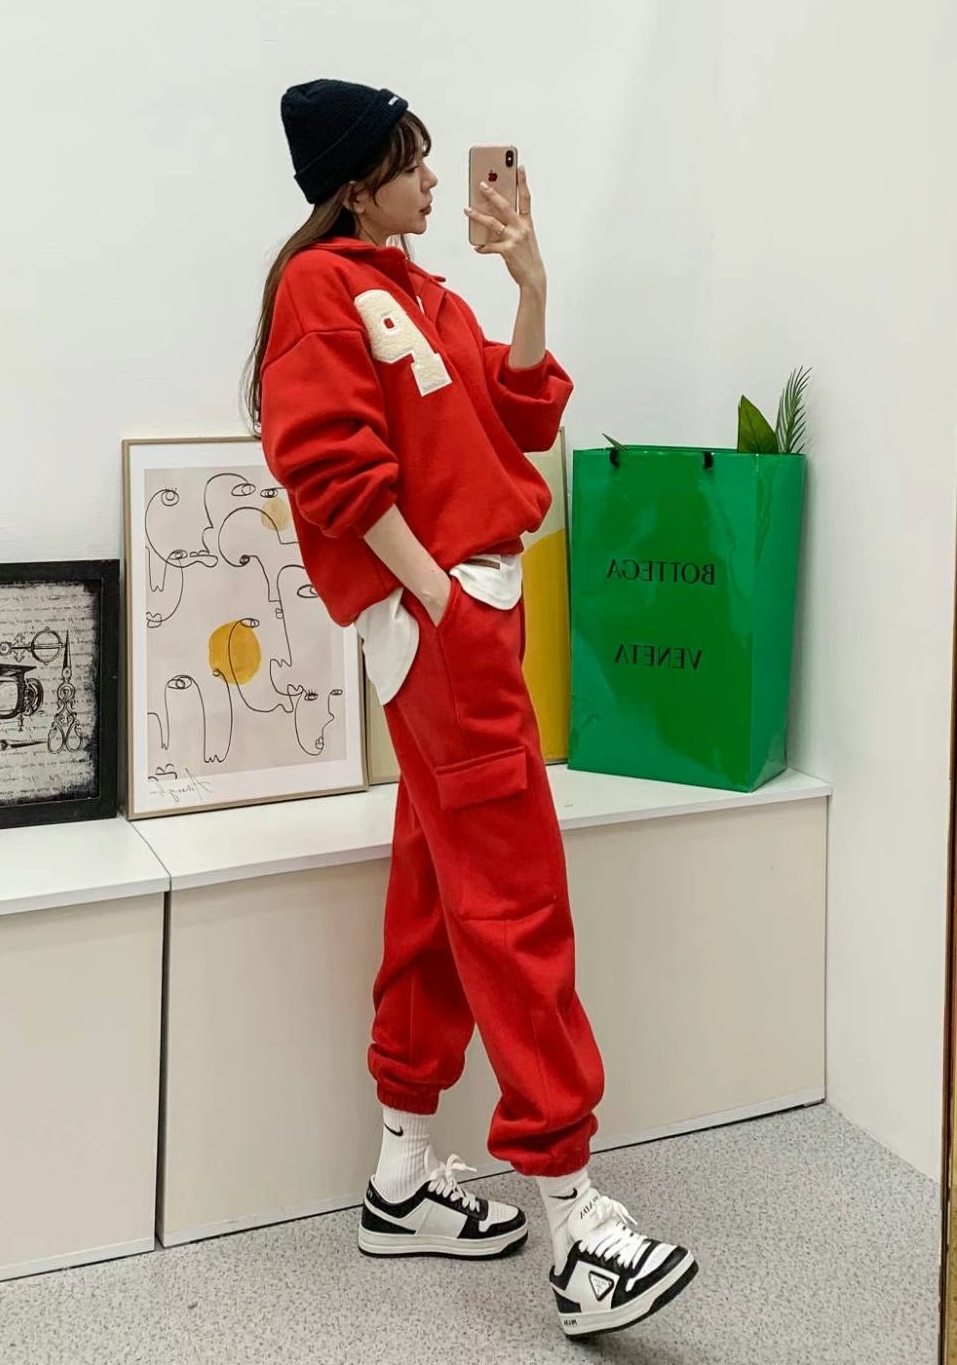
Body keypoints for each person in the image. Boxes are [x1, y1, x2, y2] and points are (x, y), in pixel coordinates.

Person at [249, 78, 696, 1339]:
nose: (440, 183)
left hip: (474, 614)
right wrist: (438, 597)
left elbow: (517, 416)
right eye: (414, 164)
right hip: (449, 623)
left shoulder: (428, 295)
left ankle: (402, 1178)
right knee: (515, 900)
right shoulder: (322, 289)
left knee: (440, 889)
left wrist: (530, 280)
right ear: (356, 186)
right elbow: (324, 460)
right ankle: (576, 1223)